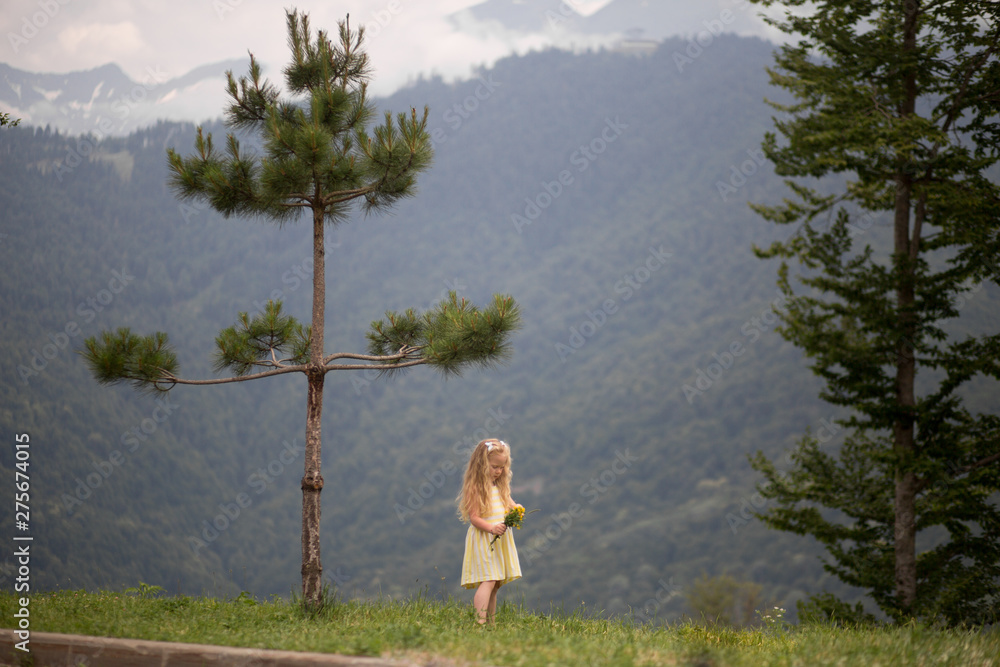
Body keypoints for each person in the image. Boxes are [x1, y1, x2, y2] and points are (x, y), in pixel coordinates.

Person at [457, 438, 522, 625]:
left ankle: (490, 624)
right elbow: (475, 518)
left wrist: (517, 508)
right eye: (494, 467)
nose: (498, 471)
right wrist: (491, 528)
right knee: (489, 579)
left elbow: (509, 503)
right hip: (485, 538)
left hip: (499, 538)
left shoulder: (499, 486)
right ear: (481, 464)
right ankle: (479, 623)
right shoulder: (476, 488)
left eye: (502, 467)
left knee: (495, 584)